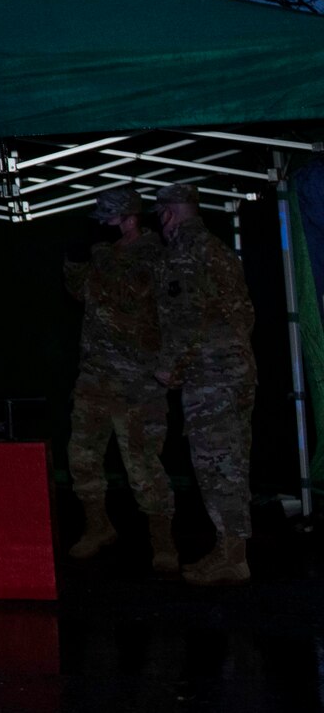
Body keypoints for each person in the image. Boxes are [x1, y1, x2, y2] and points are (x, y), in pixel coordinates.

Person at [63, 189, 176, 571]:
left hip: (137, 382)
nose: (103, 227)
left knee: (142, 465)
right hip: (95, 376)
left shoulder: (154, 254)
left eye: (109, 220)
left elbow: (129, 294)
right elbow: (81, 293)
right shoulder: (104, 254)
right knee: (82, 458)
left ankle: (162, 542)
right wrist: (76, 260)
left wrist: (100, 257)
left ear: (130, 218)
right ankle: (98, 527)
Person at [151, 183, 257, 585]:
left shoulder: (186, 254)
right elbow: (244, 313)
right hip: (231, 370)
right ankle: (229, 549)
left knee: (218, 465)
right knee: (229, 461)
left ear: (168, 214)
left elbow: (186, 320)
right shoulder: (218, 250)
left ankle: (234, 557)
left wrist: (170, 367)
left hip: (212, 376)